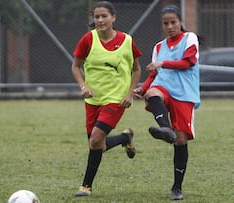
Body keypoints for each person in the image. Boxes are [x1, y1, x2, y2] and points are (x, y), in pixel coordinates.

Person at [71, 1, 142, 196]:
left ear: (113, 18)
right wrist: (83, 86)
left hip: (116, 99)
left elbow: (136, 69)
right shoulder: (88, 39)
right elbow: (76, 66)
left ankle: (86, 186)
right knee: (97, 145)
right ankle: (124, 138)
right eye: (97, 17)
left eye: (104, 16)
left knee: (95, 140)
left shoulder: (127, 41)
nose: (100, 20)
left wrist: (129, 94)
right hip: (92, 100)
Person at [133, 5, 200, 201]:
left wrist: (162, 64)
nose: (170, 26)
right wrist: (143, 88)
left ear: (180, 22)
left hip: (184, 93)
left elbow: (187, 63)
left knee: (180, 141)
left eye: (173, 22)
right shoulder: (159, 47)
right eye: (166, 23)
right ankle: (165, 129)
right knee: (152, 94)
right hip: (164, 88)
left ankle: (177, 187)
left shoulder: (190, 38)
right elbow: (154, 74)